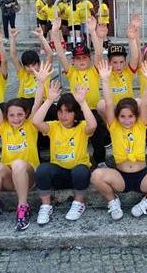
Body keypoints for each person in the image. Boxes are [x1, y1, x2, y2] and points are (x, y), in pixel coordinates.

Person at [91, 60, 147, 219]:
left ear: (136, 117)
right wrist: (105, 80)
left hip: (142, 176)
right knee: (96, 176)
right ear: (117, 117)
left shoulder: (141, 125)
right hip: (120, 176)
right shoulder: (114, 126)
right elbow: (108, 103)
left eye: (130, 116)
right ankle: (113, 201)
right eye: (122, 116)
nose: (127, 120)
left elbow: (145, 101)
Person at [0, 61, 45, 231]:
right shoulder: (3, 126)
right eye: (12, 115)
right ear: (6, 116)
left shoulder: (30, 125)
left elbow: (37, 103)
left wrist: (41, 82)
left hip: (29, 176)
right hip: (10, 177)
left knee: (18, 164)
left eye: (20, 114)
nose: (16, 118)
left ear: (26, 114)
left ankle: (23, 206)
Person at [32, 79, 97, 224]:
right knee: (42, 169)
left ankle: (78, 203)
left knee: (80, 170)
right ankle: (46, 205)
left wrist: (82, 102)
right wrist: (49, 100)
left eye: (68, 112)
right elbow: (36, 122)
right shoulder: (54, 126)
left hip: (78, 174)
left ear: (76, 113)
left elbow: (93, 125)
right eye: (60, 111)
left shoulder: (82, 127)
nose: (63, 116)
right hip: (59, 174)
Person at [51, 16, 108, 167]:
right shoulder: (71, 72)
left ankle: (101, 161)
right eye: (78, 58)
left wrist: (92, 31)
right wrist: (55, 32)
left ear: (89, 59)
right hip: (75, 111)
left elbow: (99, 53)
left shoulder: (94, 71)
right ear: (73, 61)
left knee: (97, 134)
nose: (81, 61)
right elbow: (61, 53)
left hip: (92, 110)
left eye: (84, 58)